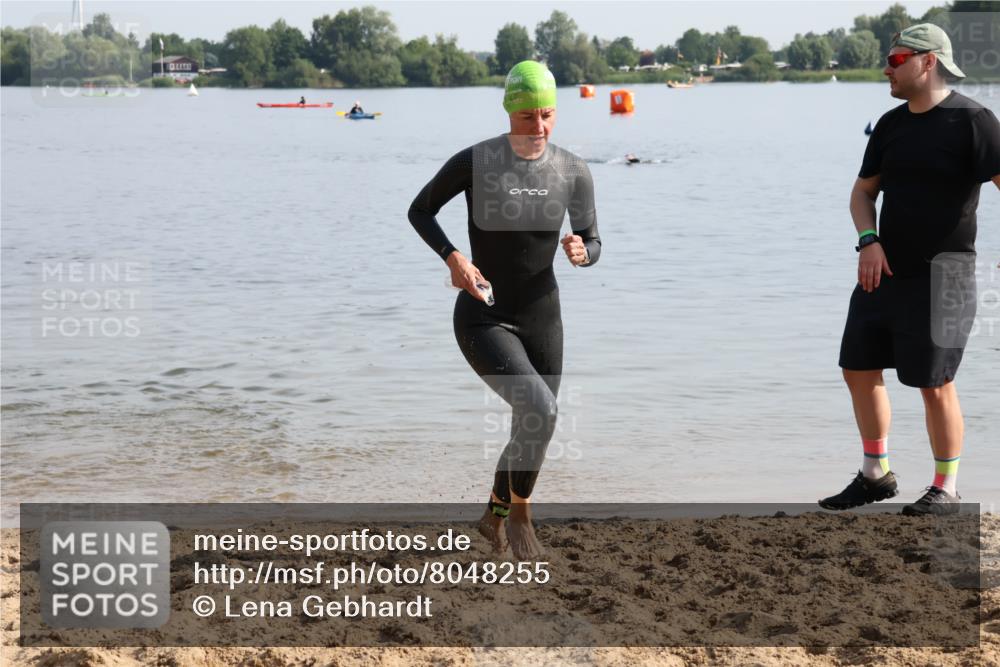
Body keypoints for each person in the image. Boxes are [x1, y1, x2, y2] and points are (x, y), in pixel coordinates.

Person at [408, 61, 601, 558]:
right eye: (527, 117)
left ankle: (490, 516)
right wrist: (454, 258)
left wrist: (584, 252)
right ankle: (520, 516)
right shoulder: (476, 162)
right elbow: (420, 209)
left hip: (544, 317)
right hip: (484, 315)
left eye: (547, 115)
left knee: (531, 423)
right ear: (509, 112)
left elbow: (593, 239)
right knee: (540, 409)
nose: (538, 128)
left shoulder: (573, 170)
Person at [819, 24, 1000, 515]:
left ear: (928, 61)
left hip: (946, 276)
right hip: (882, 271)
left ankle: (946, 486)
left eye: (895, 59)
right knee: (857, 368)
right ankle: (875, 474)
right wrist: (868, 241)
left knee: (934, 382)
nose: (886, 69)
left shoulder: (974, 121)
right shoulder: (891, 124)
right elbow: (862, 192)